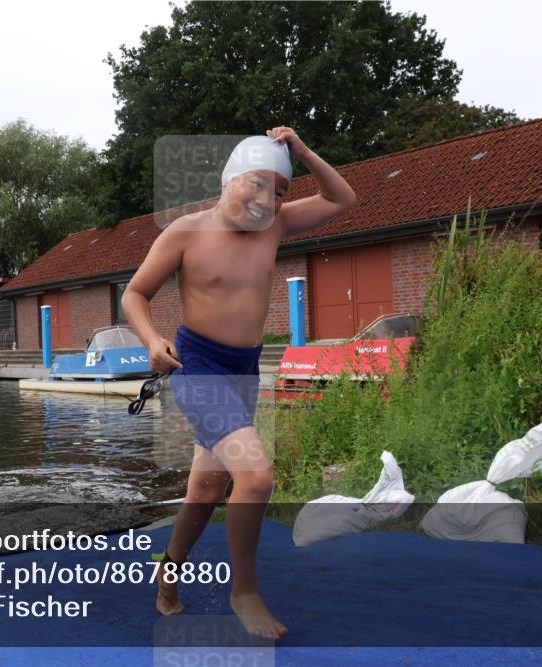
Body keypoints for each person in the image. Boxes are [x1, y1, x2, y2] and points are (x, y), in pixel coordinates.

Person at [122, 128, 357, 639]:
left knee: (206, 490)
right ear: (228, 179)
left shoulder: (275, 225)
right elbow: (135, 294)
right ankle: (243, 591)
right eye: (255, 184)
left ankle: (167, 572)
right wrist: (151, 340)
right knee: (255, 477)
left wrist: (303, 151)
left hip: (243, 370)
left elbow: (343, 198)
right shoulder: (184, 232)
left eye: (278, 192)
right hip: (198, 366)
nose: (264, 200)